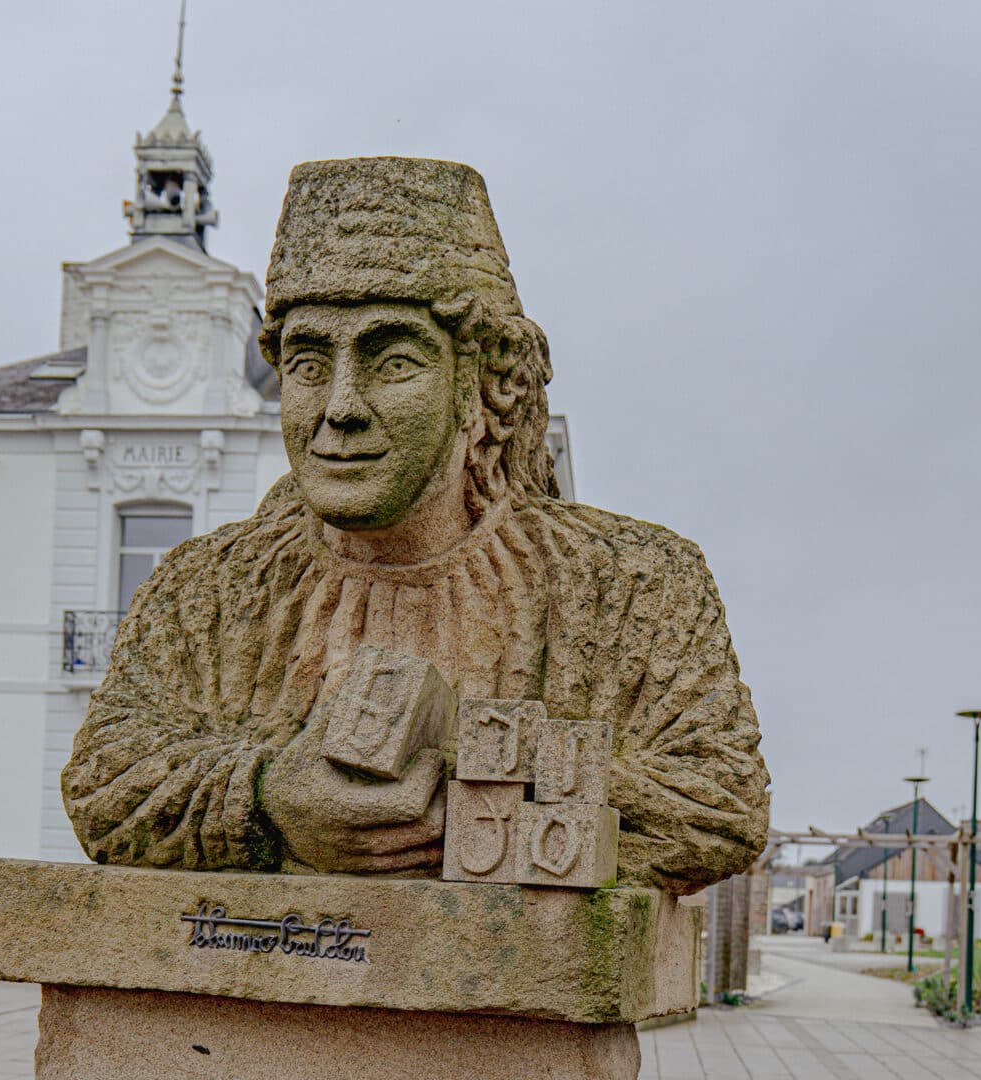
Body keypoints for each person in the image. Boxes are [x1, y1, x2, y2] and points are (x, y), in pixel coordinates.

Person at [63, 157, 768, 889]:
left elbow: (716, 807)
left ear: (486, 382)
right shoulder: (205, 587)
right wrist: (268, 797)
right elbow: (104, 785)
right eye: (306, 364)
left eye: (392, 361)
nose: (339, 407)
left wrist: (472, 790)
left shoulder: (632, 584)